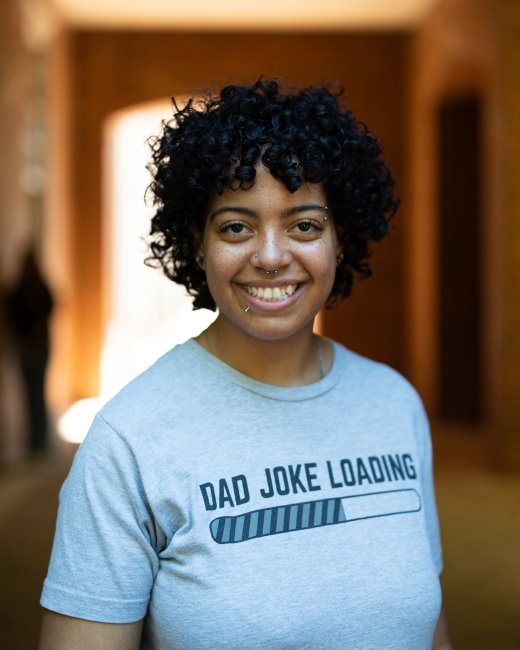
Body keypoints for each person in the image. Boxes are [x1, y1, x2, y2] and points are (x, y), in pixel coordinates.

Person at [39, 79, 452, 650]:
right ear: (198, 243)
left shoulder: (392, 405)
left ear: (339, 240)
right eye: (236, 226)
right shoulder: (130, 440)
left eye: (304, 225)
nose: (271, 256)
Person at [7, 249, 53, 452]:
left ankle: (40, 443)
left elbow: (48, 313)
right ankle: (33, 444)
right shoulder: (18, 292)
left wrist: (34, 340)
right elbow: (12, 321)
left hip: (39, 347)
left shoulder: (41, 289)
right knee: (29, 396)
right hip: (26, 349)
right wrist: (25, 343)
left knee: (38, 395)